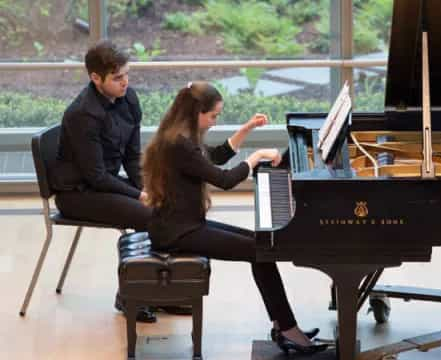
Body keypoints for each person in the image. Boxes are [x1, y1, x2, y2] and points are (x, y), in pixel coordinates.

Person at [142, 81, 326, 354]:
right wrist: (256, 157)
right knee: (259, 250)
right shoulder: (181, 144)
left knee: (259, 245)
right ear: (197, 113)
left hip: (180, 224)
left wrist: (246, 129)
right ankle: (287, 329)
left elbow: (214, 157)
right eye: (213, 116)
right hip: (176, 232)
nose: (215, 122)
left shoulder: (180, 135)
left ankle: (284, 326)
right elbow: (225, 179)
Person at [52, 40, 172, 323]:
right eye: (117, 77)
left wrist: (148, 187)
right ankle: (131, 297)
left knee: (167, 206)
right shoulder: (82, 114)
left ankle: (165, 291)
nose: (125, 82)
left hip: (104, 182)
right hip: (78, 193)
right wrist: (140, 196)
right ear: (95, 78)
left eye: (126, 74)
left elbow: (132, 157)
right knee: (149, 216)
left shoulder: (128, 99)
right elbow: (95, 176)